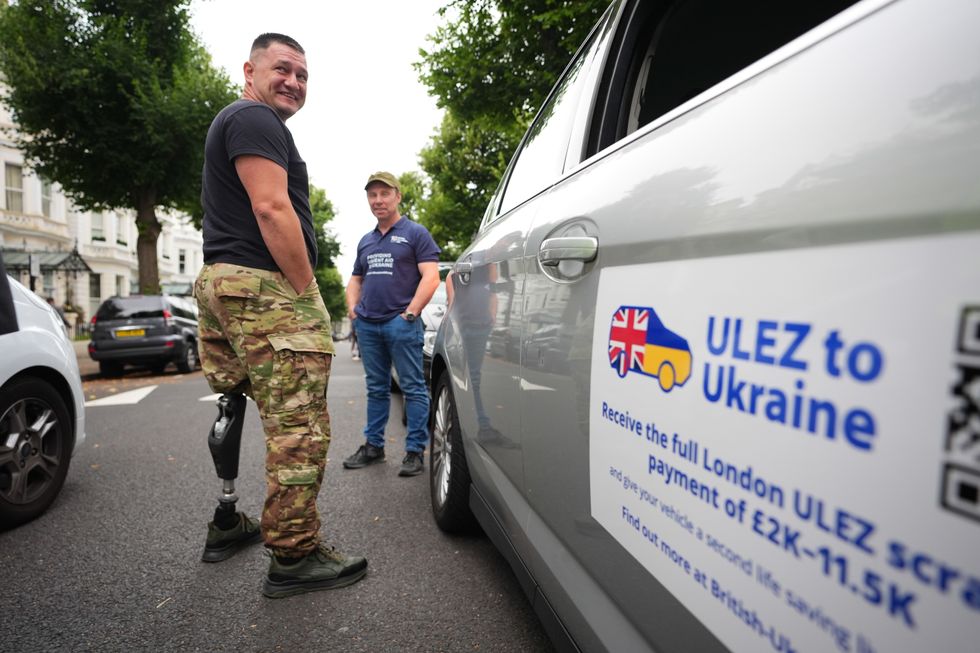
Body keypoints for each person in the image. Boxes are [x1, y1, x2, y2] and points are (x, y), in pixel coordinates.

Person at [193, 32, 366, 598]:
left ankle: (227, 520)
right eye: (282, 68)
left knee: (235, 400)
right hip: (263, 288)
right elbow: (271, 207)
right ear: (250, 70)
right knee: (299, 425)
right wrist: (307, 290)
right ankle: (293, 556)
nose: (293, 81)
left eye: (303, 74)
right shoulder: (256, 119)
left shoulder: (237, 121)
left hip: (223, 281)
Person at [344, 171, 440, 477]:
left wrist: (410, 313)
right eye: (372, 195)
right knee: (376, 389)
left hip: (401, 324)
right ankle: (374, 447)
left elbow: (431, 276)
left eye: (384, 194)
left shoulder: (415, 233)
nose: (378, 200)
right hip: (368, 326)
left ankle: (414, 452)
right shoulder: (366, 241)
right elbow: (355, 280)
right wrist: (353, 310)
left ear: (397, 196)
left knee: (412, 387)